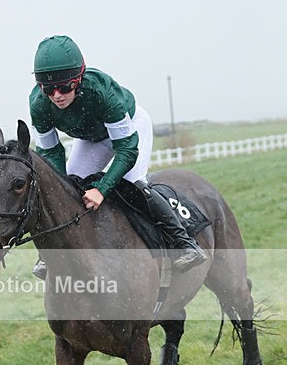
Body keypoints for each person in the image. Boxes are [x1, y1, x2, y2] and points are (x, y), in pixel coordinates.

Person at [29, 35, 207, 277]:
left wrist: (102, 189)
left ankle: (185, 243)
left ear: (79, 79)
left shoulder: (102, 90)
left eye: (65, 86)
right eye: (49, 89)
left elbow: (126, 148)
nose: (57, 95)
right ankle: (52, 255)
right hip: (91, 137)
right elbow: (51, 152)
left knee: (132, 184)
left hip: (130, 130)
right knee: (66, 188)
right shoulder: (39, 104)